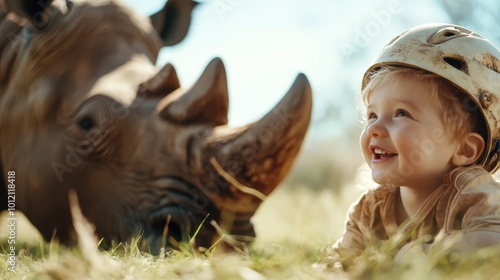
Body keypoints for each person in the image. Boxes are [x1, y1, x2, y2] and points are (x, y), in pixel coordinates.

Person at [327, 23, 500, 268]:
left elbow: (494, 244)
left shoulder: (475, 195)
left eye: (401, 114)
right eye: (372, 115)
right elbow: (338, 262)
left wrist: (425, 255)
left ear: (464, 149)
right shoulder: (369, 210)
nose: (374, 128)